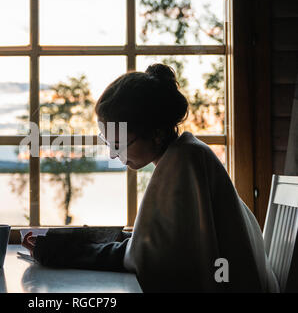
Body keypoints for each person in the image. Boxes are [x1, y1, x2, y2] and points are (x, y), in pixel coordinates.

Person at [22, 63, 279, 292]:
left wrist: (60, 252)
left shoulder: (183, 163)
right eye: (108, 143)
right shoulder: (186, 155)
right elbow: (155, 242)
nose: (113, 154)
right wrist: (63, 241)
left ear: (156, 133)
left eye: (120, 144)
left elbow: (148, 258)